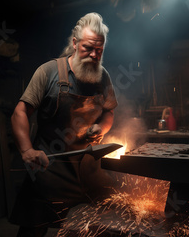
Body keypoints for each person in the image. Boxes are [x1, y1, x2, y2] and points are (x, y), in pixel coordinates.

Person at [9, 12, 118, 237]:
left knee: (101, 226)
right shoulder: (48, 72)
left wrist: (102, 128)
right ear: (75, 43)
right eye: (88, 48)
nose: (94, 55)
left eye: (99, 50)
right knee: (33, 228)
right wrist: (27, 150)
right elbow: (20, 112)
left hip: (89, 169)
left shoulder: (103, 77)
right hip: (50, 169)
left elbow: (109, 112)